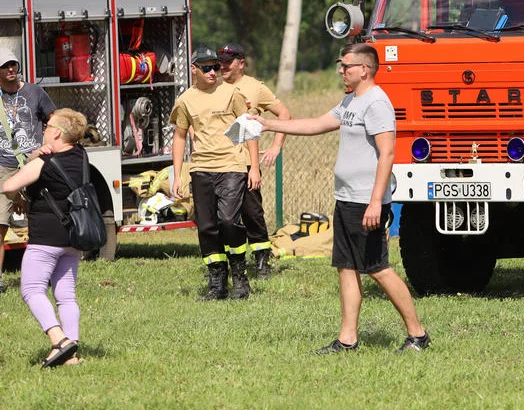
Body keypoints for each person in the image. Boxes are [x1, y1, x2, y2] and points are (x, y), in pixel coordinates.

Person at [256, 43, 430, 355]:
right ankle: (347, 339)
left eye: (345, 66)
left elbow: (388, 153)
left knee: (377, 268)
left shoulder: (377, 103)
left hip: (367, 202)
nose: (341, 71)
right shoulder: (351, 100)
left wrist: (377, 201)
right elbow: (316, 125)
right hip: (347, 199)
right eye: (340, 65)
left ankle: (418, 334)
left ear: (364, 69)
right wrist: (268, 124)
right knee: (346, 267)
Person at [1, 108, 107, 368]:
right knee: (66, 296)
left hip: (45, 238)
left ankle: (58, 339)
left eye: (48, 126)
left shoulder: (44, 163)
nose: (44, 130)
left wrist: (36, 156)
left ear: (58, 133)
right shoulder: (81, 155)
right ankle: (72, 353)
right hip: (72, 237)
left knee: (31, 289)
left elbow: (8, 186)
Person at [169, 46, 260, 301]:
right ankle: (217, 282)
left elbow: (249, 129)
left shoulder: (232, 93)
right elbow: (179, 136)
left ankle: (240, 275)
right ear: (194, 70)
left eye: (216, 67)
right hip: (201, 169)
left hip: (232, 166)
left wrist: (254, 166)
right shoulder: (186, 99)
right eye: (206, 67)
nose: (212, 72)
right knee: (207, 227)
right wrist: (177, 175)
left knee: (229, 221)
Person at [218, 42, 291, 279]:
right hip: (220, 162)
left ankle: (261, 260)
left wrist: (276, 146)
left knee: (252, 213)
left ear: (241, 63)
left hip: (247, 162)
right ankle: (230, 262)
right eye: (221, 62)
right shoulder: (214, 87)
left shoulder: (255, 88)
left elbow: (284, 114)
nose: (223, 67)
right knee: (224, 217)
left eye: (229, 62)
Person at [0, 47, 56, 293]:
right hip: (4, 168)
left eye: (14, 64)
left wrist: (50, 145)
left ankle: (46, 277)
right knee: (1, 226)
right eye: (6, 66)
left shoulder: (35, 92)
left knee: (43, 224)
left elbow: (55, 120)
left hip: (34, 165)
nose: (11, 69)